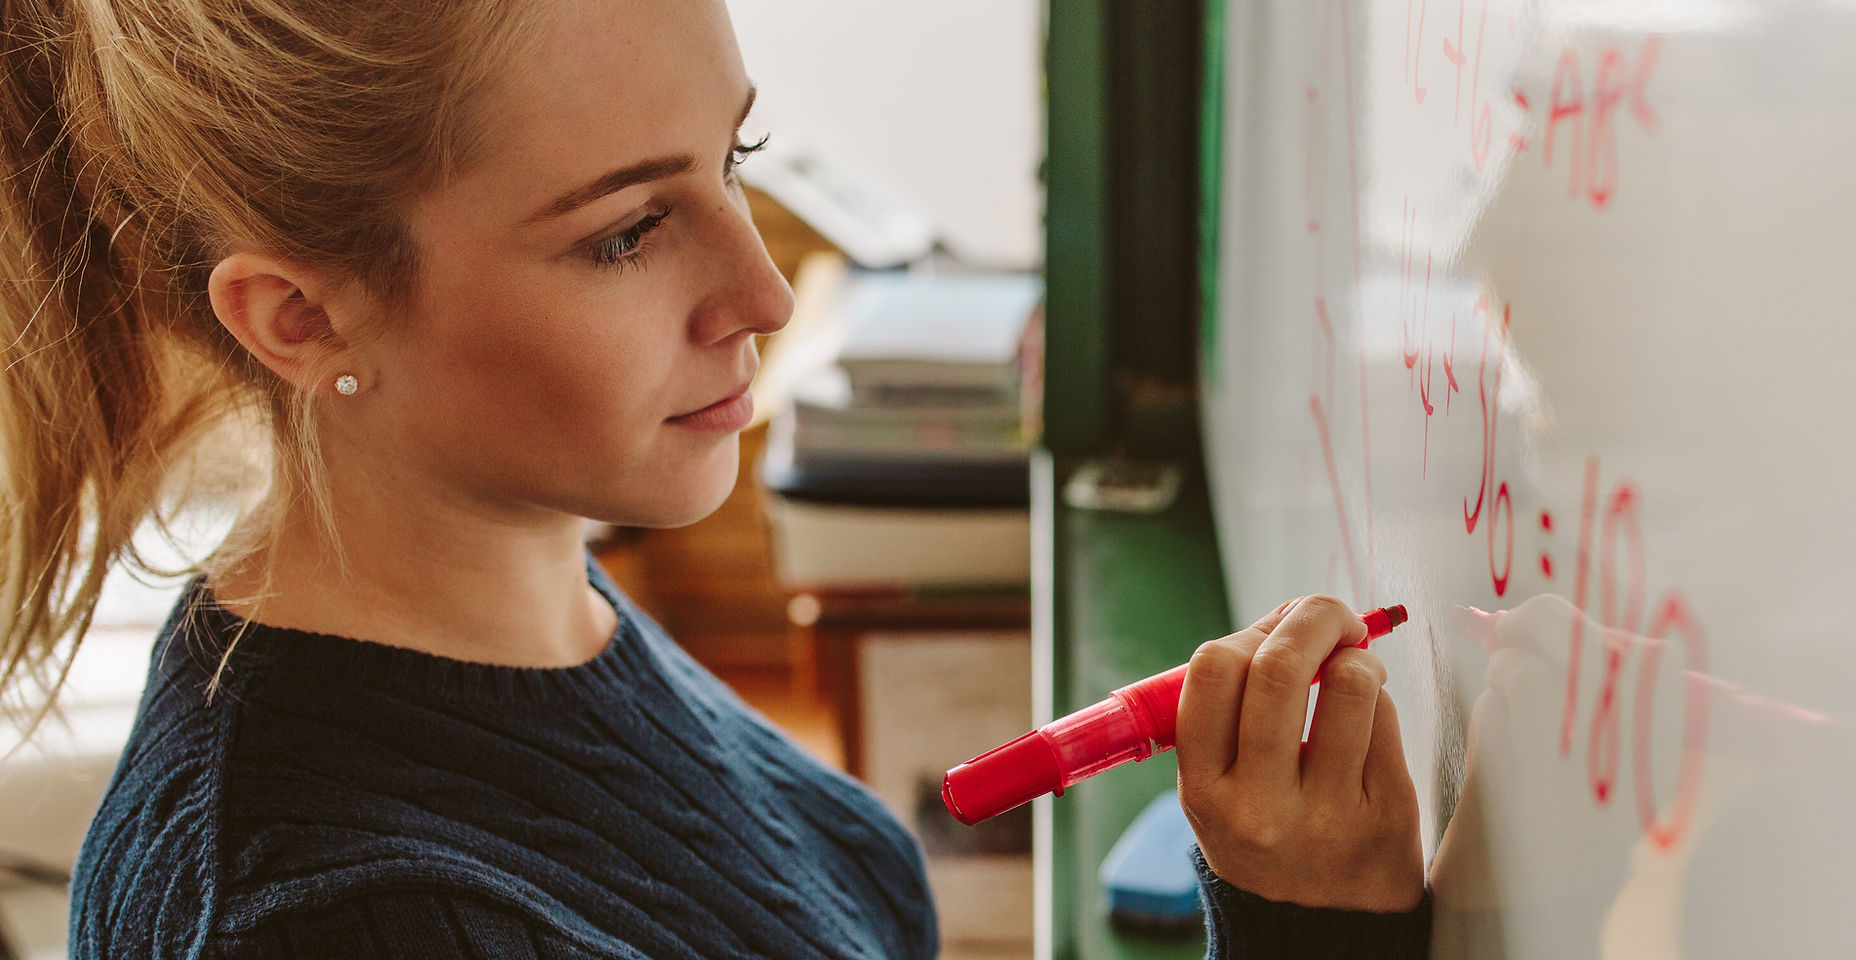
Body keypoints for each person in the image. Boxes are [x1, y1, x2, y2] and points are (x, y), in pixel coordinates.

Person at [0, 0, 1433, 956]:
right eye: (627, 232)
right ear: (301, 318)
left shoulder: (527, 590)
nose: (764, 290)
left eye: (733, 160)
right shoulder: (344, 920)